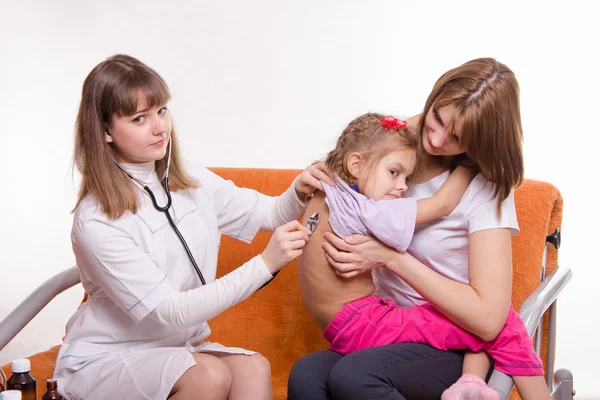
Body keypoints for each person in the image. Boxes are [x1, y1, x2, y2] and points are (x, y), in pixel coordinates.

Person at [53, 54, 332, 400]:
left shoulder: (189, 178)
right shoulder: (96, 221)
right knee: (209, 375)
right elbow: (170, 311)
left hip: (178, 348)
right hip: (106, 358)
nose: (160, 127)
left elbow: (271, 214)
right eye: (139, 118)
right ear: (106, 131)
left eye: (161, 110)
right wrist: (264, 264)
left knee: (253, 367)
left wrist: (298, 191)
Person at [288, 57, 549, 400]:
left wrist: (390, 258)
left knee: (355, 376)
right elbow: (338, 184)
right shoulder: (392, 151)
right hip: (387, 329)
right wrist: (310, 182)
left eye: (456, 138)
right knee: (307, 375)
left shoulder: (484, 187)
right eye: (436, 118)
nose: (437, 140)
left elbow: (488, 320)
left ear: (480, 144)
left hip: (455, 340)